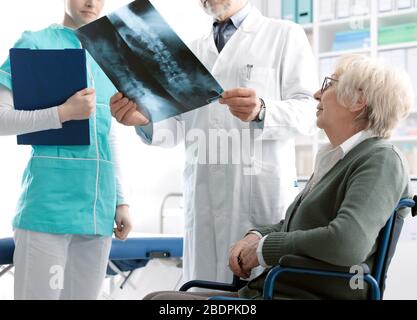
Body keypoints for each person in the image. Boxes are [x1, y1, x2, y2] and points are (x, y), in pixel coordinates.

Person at [144, 54, 414, 300]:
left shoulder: (381, 159)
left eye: (329, 84)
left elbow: (346, 243)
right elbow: (295, 226)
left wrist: (265, 248)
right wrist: (255, 236)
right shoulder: (336, 158)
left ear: (358, 101)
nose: (317, 94)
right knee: (160, 299)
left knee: (162, 303)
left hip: (299, 296)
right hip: (273, 291)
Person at [110, 0, 318, 285]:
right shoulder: (192, 50)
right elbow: (176, 128)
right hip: (203, 198)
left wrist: (263, 110)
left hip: (257, 197)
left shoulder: (283, 35)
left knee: (255, 292)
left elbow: (309, 112)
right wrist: (144, 119)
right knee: (203, 294)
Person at [0, 0, 132, 300]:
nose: (91, 2)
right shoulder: (34, 43)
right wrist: (62, 113)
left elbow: (106, 133)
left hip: (98, 209)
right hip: (48, 208)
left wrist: (120, 200)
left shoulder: (110, 53)